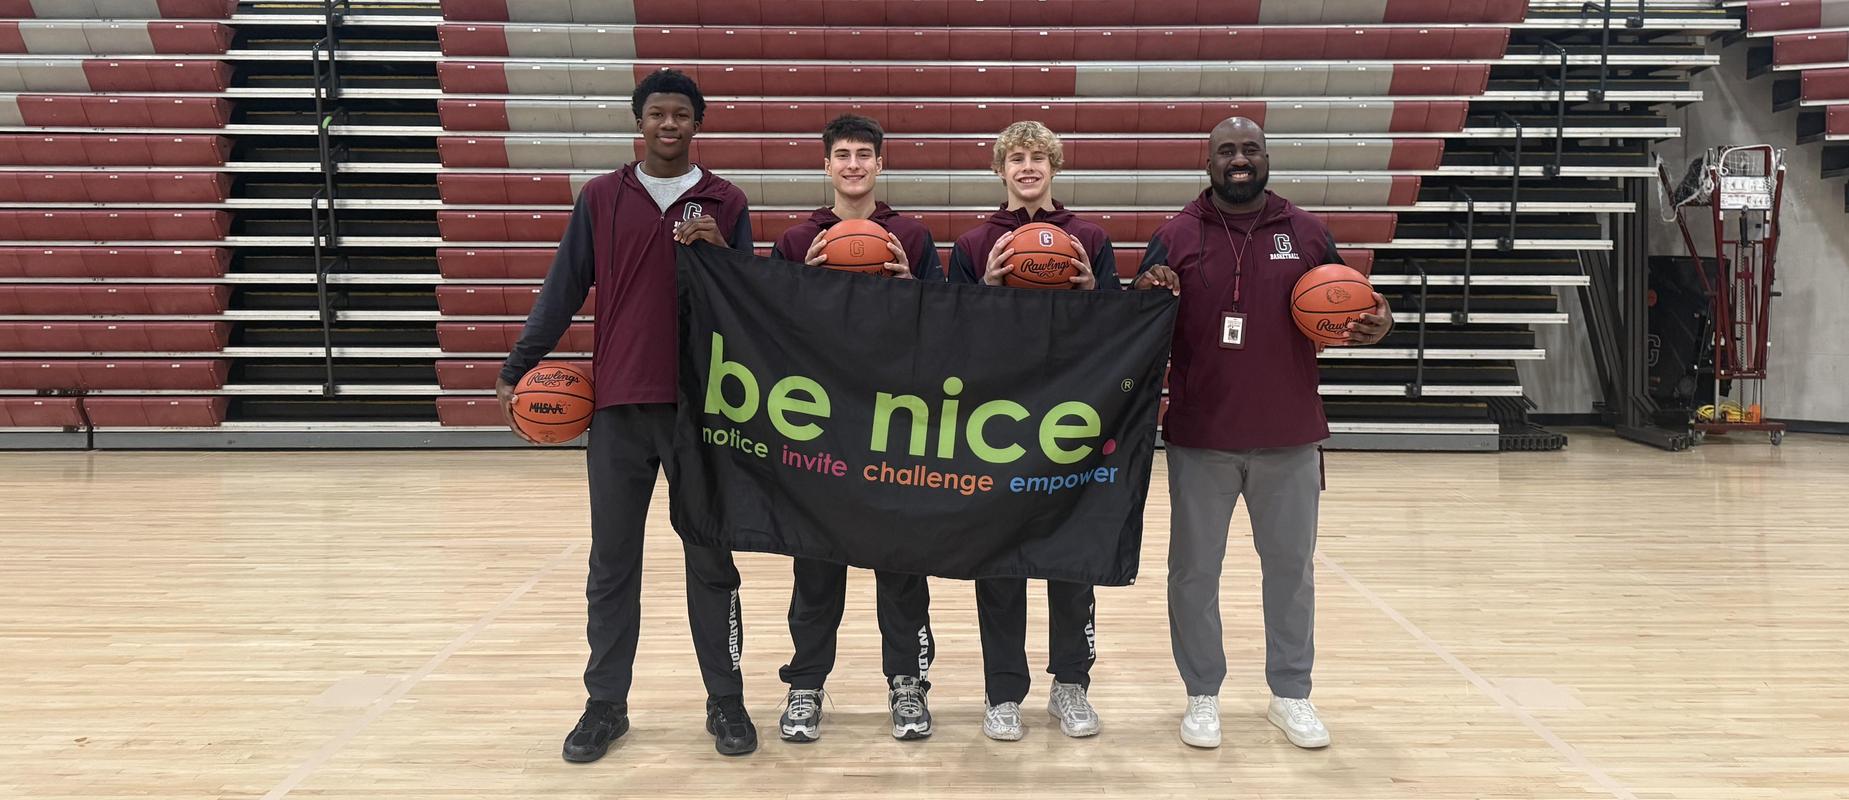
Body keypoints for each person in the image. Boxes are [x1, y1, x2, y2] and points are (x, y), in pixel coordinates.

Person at [494, 68, 761, 760]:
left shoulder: (725, 202)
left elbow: (755, 305)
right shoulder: (601, 198)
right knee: (612, 563)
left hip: (702, 411)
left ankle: (726, 702)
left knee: (712, 562)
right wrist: (520, 363)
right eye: (656, 114)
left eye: (680, 115)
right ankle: (604, 705)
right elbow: (563, 286)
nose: (668, 124)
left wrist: (722, 258)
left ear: (697, 124)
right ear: (638, 121)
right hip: (616, 406)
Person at [1131, 117, 1393, 750]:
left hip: (1289, 433)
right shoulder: (1175, 235)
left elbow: (1356, 305)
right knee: (1193, 572)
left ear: (1267, 157)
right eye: (1227, 151)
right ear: (1209, 162)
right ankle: (1201, 695)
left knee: (1291, 571)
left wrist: (1378, 319)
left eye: (1250, 149)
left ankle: (1291, 695)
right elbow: (1136, 319)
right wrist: (1144, 291)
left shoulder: (1306, 232)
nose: (1239, 159)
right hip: (1202, 434)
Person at [764, 114, 942, 743]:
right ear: (826, 165)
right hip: (819, 426)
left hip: (895, 426)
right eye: (841, 154)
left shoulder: (912, 239)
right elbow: (770, 336)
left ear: (880, 164)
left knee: (901, 564)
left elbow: (945, 328)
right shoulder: (794, 243)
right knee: (815, 566)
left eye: (864, 154)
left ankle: (907, 685)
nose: (853, 164)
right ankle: (807, 685)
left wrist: (910, 288)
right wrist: (806, 289)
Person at [947, 120, 1116, 742]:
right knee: (1001, 562)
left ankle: (1070, 684)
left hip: (1071, 419)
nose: (1027, 168)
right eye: (1016, 158)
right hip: (1000, 423)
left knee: (1073, 559)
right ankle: (1002, 692)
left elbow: (1116, 333)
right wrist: (986, 291)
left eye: (1038, 158)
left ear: (1055, 166)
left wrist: (1096, 294)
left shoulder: (1090, 238)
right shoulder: (971, 246)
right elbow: (948, 337)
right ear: (1000, 170)